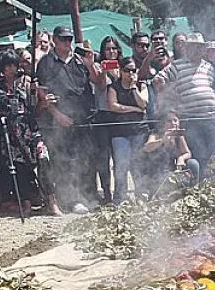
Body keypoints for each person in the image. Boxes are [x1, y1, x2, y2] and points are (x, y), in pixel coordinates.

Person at [35, 25, 103, 213]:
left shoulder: (80, 60)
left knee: (88, 158)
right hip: (61, 119)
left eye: (69, 39)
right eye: (63, 39)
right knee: (66, 161)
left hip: (85, 116)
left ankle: (90, 196)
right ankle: (72, 200)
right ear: (55, 40)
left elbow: (99, 83)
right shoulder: (45, 63)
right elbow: (42, 93)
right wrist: (57, 114)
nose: (67, 42)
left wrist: (91, 65)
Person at [0, 49, 46, 214]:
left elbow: (34, 103)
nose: (11, 69)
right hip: (6, 131)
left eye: (13, 65)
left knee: (34, 161)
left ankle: (41, 196)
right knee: (12, 166)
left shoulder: (24, 81)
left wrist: (35, 89)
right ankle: (21, 200)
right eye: (7, 66)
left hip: (25, 129)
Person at [153, 32, 215, 174]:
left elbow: (213, 87)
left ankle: (210, 182)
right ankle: (198, 182)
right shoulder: (177, 66)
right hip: (190, 118)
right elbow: (157, 80)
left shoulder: (209, 67)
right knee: (198, 153)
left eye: (200, 47)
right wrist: (169, 92)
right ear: (187, 48)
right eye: (194, 47)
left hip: (210, 117)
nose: (197, 50)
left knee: (212, 154)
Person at [106, 57, 148, 204]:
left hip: (138, 131)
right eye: (127, 70)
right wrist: (134, 109)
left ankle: (141, 194)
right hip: (119, 132)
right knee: (121, 165)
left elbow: (143, 104)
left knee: (138, 163)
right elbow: (114, 106)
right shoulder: (113, 87)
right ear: (121, 71)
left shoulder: (141, 85)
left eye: (133, 70)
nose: (130, 73)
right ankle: (120, 197)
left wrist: (134, 88)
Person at [138, 109, 199, 195]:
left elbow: (187, 153)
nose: (173, 123)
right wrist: (162, 140)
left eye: (175, 120)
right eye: (169, 121)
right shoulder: (155, 134)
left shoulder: (178, 136)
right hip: (156, 174)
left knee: (193, 163)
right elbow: (147, 147)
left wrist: (181, 158)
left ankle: (192, 192)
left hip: (174, 171)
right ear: (163, 123)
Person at [92, 35, 122, 205]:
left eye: (113, 48)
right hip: (103, 114)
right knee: (103, 157)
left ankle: (119, 192)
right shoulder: (97, 66)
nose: (111, 52)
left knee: (119, 156)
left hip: (118, 115)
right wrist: (104, 71)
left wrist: (117, 73)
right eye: (107, 49)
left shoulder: (124, 66)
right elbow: (101, 86)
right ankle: (106, 192)